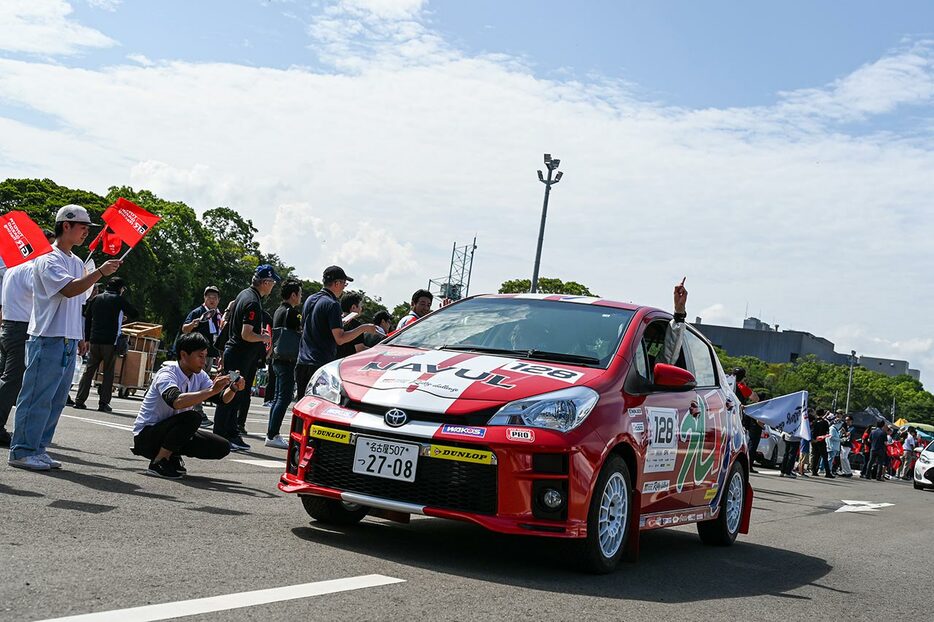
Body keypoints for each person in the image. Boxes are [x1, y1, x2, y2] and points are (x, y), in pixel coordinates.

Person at [8, 205, 121, 471]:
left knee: (56, 399)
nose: (85, 232)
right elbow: (70, 290)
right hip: (47, 337)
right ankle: (23, 450)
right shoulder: (48, 258)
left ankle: (38, 448)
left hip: (67, 338)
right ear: (66, 225)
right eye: (82, 226)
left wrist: (79, 335)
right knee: (37, 396)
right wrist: (100, 272)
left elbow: (78, 301)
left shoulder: (76, 261)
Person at [132, 333, 244, 478]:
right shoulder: (167, 374)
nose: (204, 361)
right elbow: (176, 402)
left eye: (205, 356)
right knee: (192, 417)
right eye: (200, 356)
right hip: (147, 436)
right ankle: (159, 462)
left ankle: (172, 455)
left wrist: (233, 388)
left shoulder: (200, 375)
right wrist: (211, 390)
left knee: (222, 446)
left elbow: (221, 399)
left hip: (172, 431)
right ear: (184, 355)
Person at [212, 265, 278, 451]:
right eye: (272, 282)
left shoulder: (244, 294)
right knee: (233, 394)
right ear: (265, 282)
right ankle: (225, 434)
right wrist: (264, 337)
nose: (273, 286)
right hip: (239, 356)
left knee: (234, 394)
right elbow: (246, 334)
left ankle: (228, 433)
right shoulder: (253, 303)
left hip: (236, 354)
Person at [0, 228, 56, 447]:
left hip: (10, 325)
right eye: (49, 247)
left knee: (6, 376)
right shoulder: (32, 270)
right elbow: (48, 293)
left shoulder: (14, 268)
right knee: (13, 380)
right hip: (21, 328)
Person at [295, 266, 376, 398]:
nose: (345, 287)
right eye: (344, 283)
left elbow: (306, 326)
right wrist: (364, 328)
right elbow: (340, 338)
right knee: (317, 406)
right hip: (319, 363)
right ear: (337, 283)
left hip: (302, 361)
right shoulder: (332, 304)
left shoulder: (310, 299)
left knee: (302, 405)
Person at [74, 277, 139, 412]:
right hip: (110, 341)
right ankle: (103, 403)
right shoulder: (118, 299)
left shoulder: (96, 299)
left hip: (94, 340)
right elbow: (134, 313)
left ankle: (79, 400)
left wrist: (87, 338)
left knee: (89, 371)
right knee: (108, 373)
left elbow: (87, 318)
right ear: (120, 288)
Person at [266, 279, 302, 449]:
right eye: (299, 294)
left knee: (277, 397)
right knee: (284, 398)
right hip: (287, 359)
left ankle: (271, 433)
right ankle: (273, 434)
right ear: (293, 295)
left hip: (276, 357)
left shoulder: (279, 310)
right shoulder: (292, 313)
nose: (300, 297)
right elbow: (299, 332)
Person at [336, 292, 366, 359]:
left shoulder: (335, 320)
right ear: (353, 307)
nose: (361, 309)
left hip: (331, 362)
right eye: (360, 306)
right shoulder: (357, 325)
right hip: (346, 362)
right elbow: (360, 349)